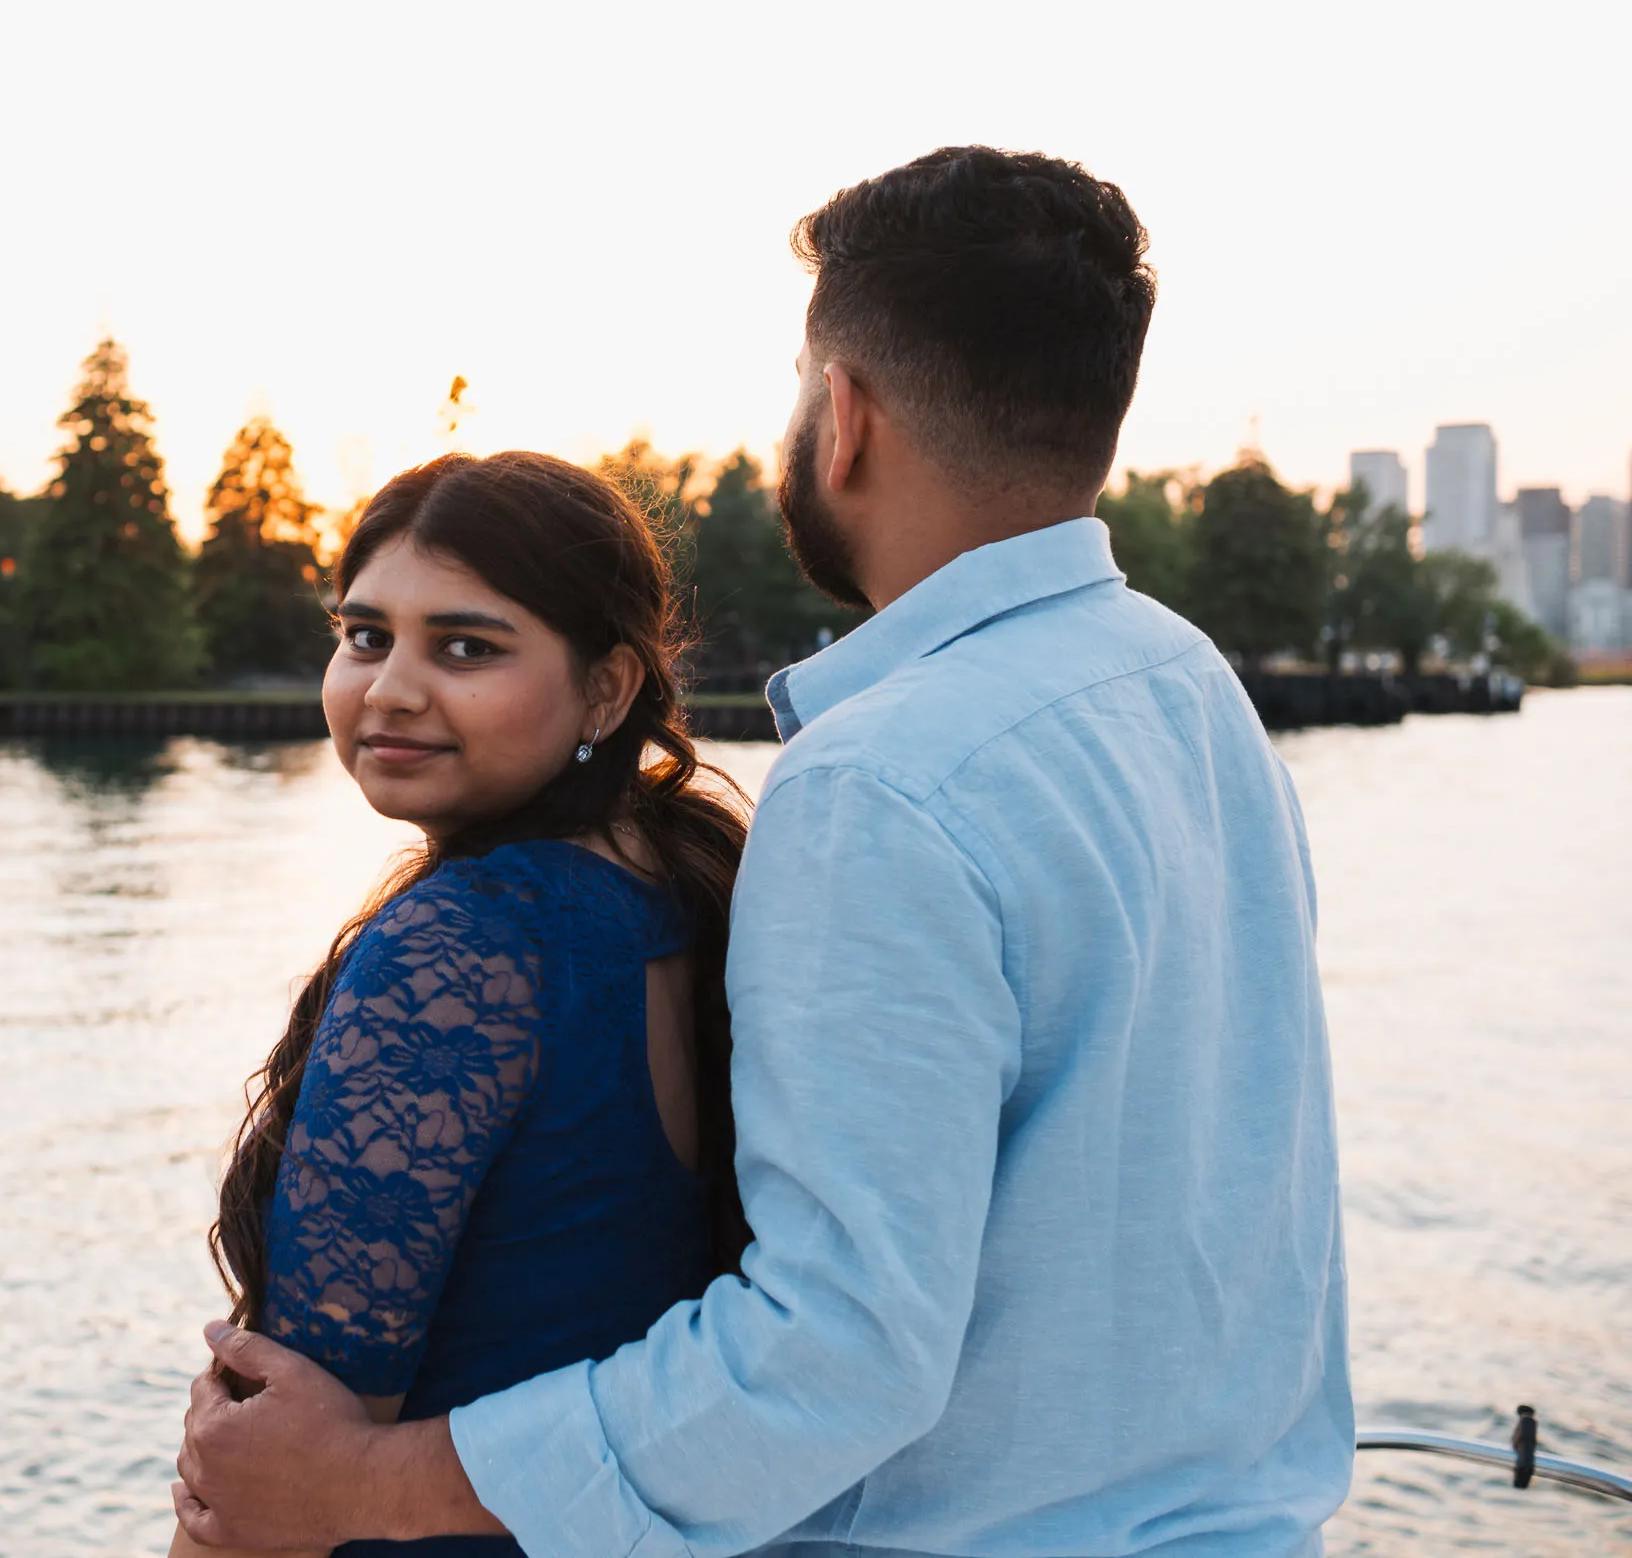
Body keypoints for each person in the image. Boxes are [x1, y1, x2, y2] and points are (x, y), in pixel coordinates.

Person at [174, 146, 1354, 1557]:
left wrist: (362, 1487)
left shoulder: (885, 779)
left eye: (801, 385)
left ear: (842, 417)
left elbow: (835, 1355)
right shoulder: (1192, 693)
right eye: (362, 635)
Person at [173, 451, 753, 1558]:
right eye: (365, 635)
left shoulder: (461, 951)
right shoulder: (683, 889)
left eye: (466, 647)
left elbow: (272, 1474)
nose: (390, 688)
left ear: (606, 689)